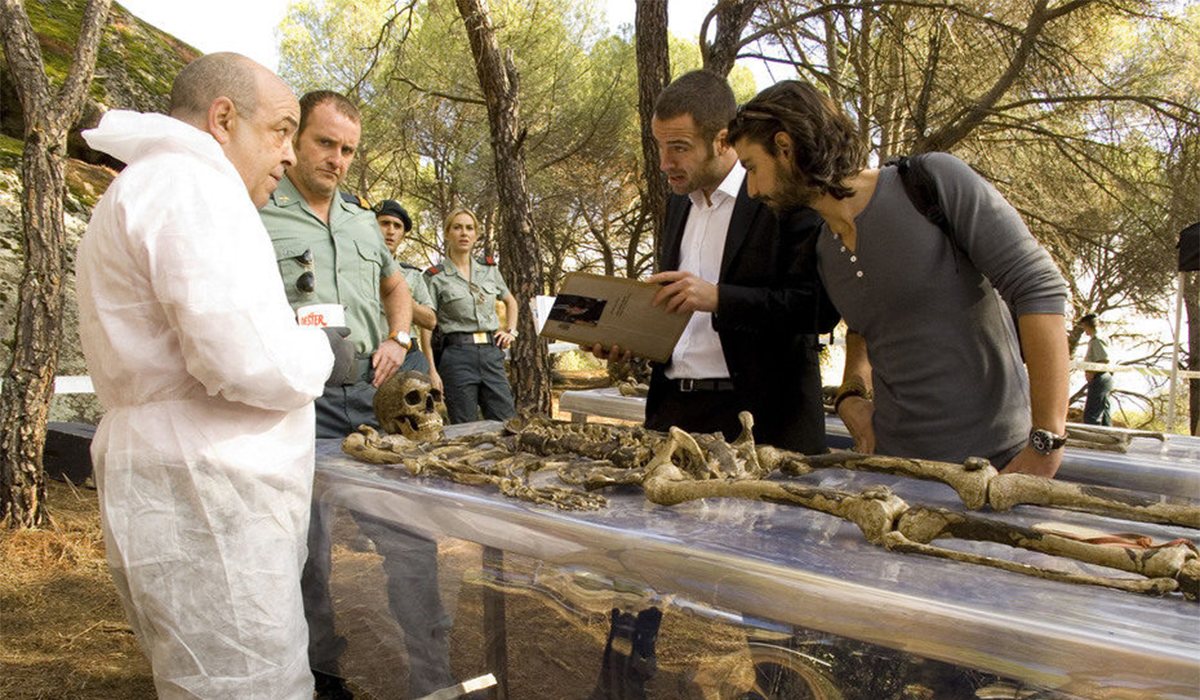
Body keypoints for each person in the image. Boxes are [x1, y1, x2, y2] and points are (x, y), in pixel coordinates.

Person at [75, 52, 351, 699]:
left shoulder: (145, 186)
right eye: (281, 130)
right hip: (212, 492)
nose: (286, 155)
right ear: (223, 118)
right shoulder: (191, 186)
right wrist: (319, 351)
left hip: (183, 480)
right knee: (248, 686)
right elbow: (243, 355)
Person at [727, 80, 1070, 477]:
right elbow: (866, 327)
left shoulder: (930, 183)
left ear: (785, 148)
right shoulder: (823, 247)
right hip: (895, 474)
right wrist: (852, 392)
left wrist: (1045, 444)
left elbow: (1038, 288)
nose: (751, 190)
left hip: (998, 465)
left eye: (752, 168)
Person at [261, 92, 453, 699]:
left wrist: (398, 337)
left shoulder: (362, 220)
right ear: (295, 138)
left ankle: (434, 677)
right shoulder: (258, 213)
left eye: (348, 149)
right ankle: (324, 676)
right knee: (307, 550)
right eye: (325, 143)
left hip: (374, 402)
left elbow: (397, 287)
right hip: (300, 405)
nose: (337, 159)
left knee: (410, 538)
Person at [596, 70, 839, 452]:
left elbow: (818, 308)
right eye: (659, 146)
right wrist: (631, 338)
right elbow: (685, 322)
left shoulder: (782, 192)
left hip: (761, 423)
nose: (664, 162)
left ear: (723, 140)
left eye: (678, 147)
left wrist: (719, 298)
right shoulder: (679, 203)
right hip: (673, 415)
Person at [424, 208, 519, 424]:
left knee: (506, 422)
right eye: (457, 228)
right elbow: (426, 325)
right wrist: (431, 369)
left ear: (476, 234)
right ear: (447, 233)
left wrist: (511, 331)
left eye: (469, 228)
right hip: (456, 357)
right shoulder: (435, 277)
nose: (464, 233)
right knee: (464, 427)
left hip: (491, 354)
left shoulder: (489, 270)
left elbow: (510, 301)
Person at [376, 198, 440, 380]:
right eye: (384, 223)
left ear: (403, 234)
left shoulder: (412, 275)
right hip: (368, 353)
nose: (390, 231)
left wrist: (400, 298)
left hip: (407, 355)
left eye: (397, 226)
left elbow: (430, 320)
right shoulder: (354, 269)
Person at [1079, 313, 1113, 426]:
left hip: (1100, 376)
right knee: (1103, 412)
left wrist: (1092, 373)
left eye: (1084, 327)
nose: (1084, 331)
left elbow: (1104, 359)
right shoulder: (1101, 338)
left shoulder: (1097, 339)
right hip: (1103, 377)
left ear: (1088, 326)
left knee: (1092, 415)